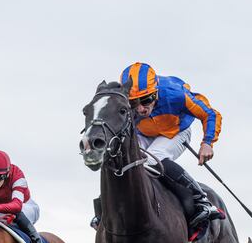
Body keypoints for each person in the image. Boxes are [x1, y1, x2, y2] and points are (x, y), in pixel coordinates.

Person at [91, 62, 224, 230]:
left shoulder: (175, 94)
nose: (140, 109)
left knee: (152, 158)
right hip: (143, 134)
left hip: (175, 132)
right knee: (121, 157)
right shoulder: (124, 101)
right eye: (134, 102)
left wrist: (207, 142)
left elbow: (210, 113)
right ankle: (105, 208)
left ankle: (200, 198)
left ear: (156, 92)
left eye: (146, 100)